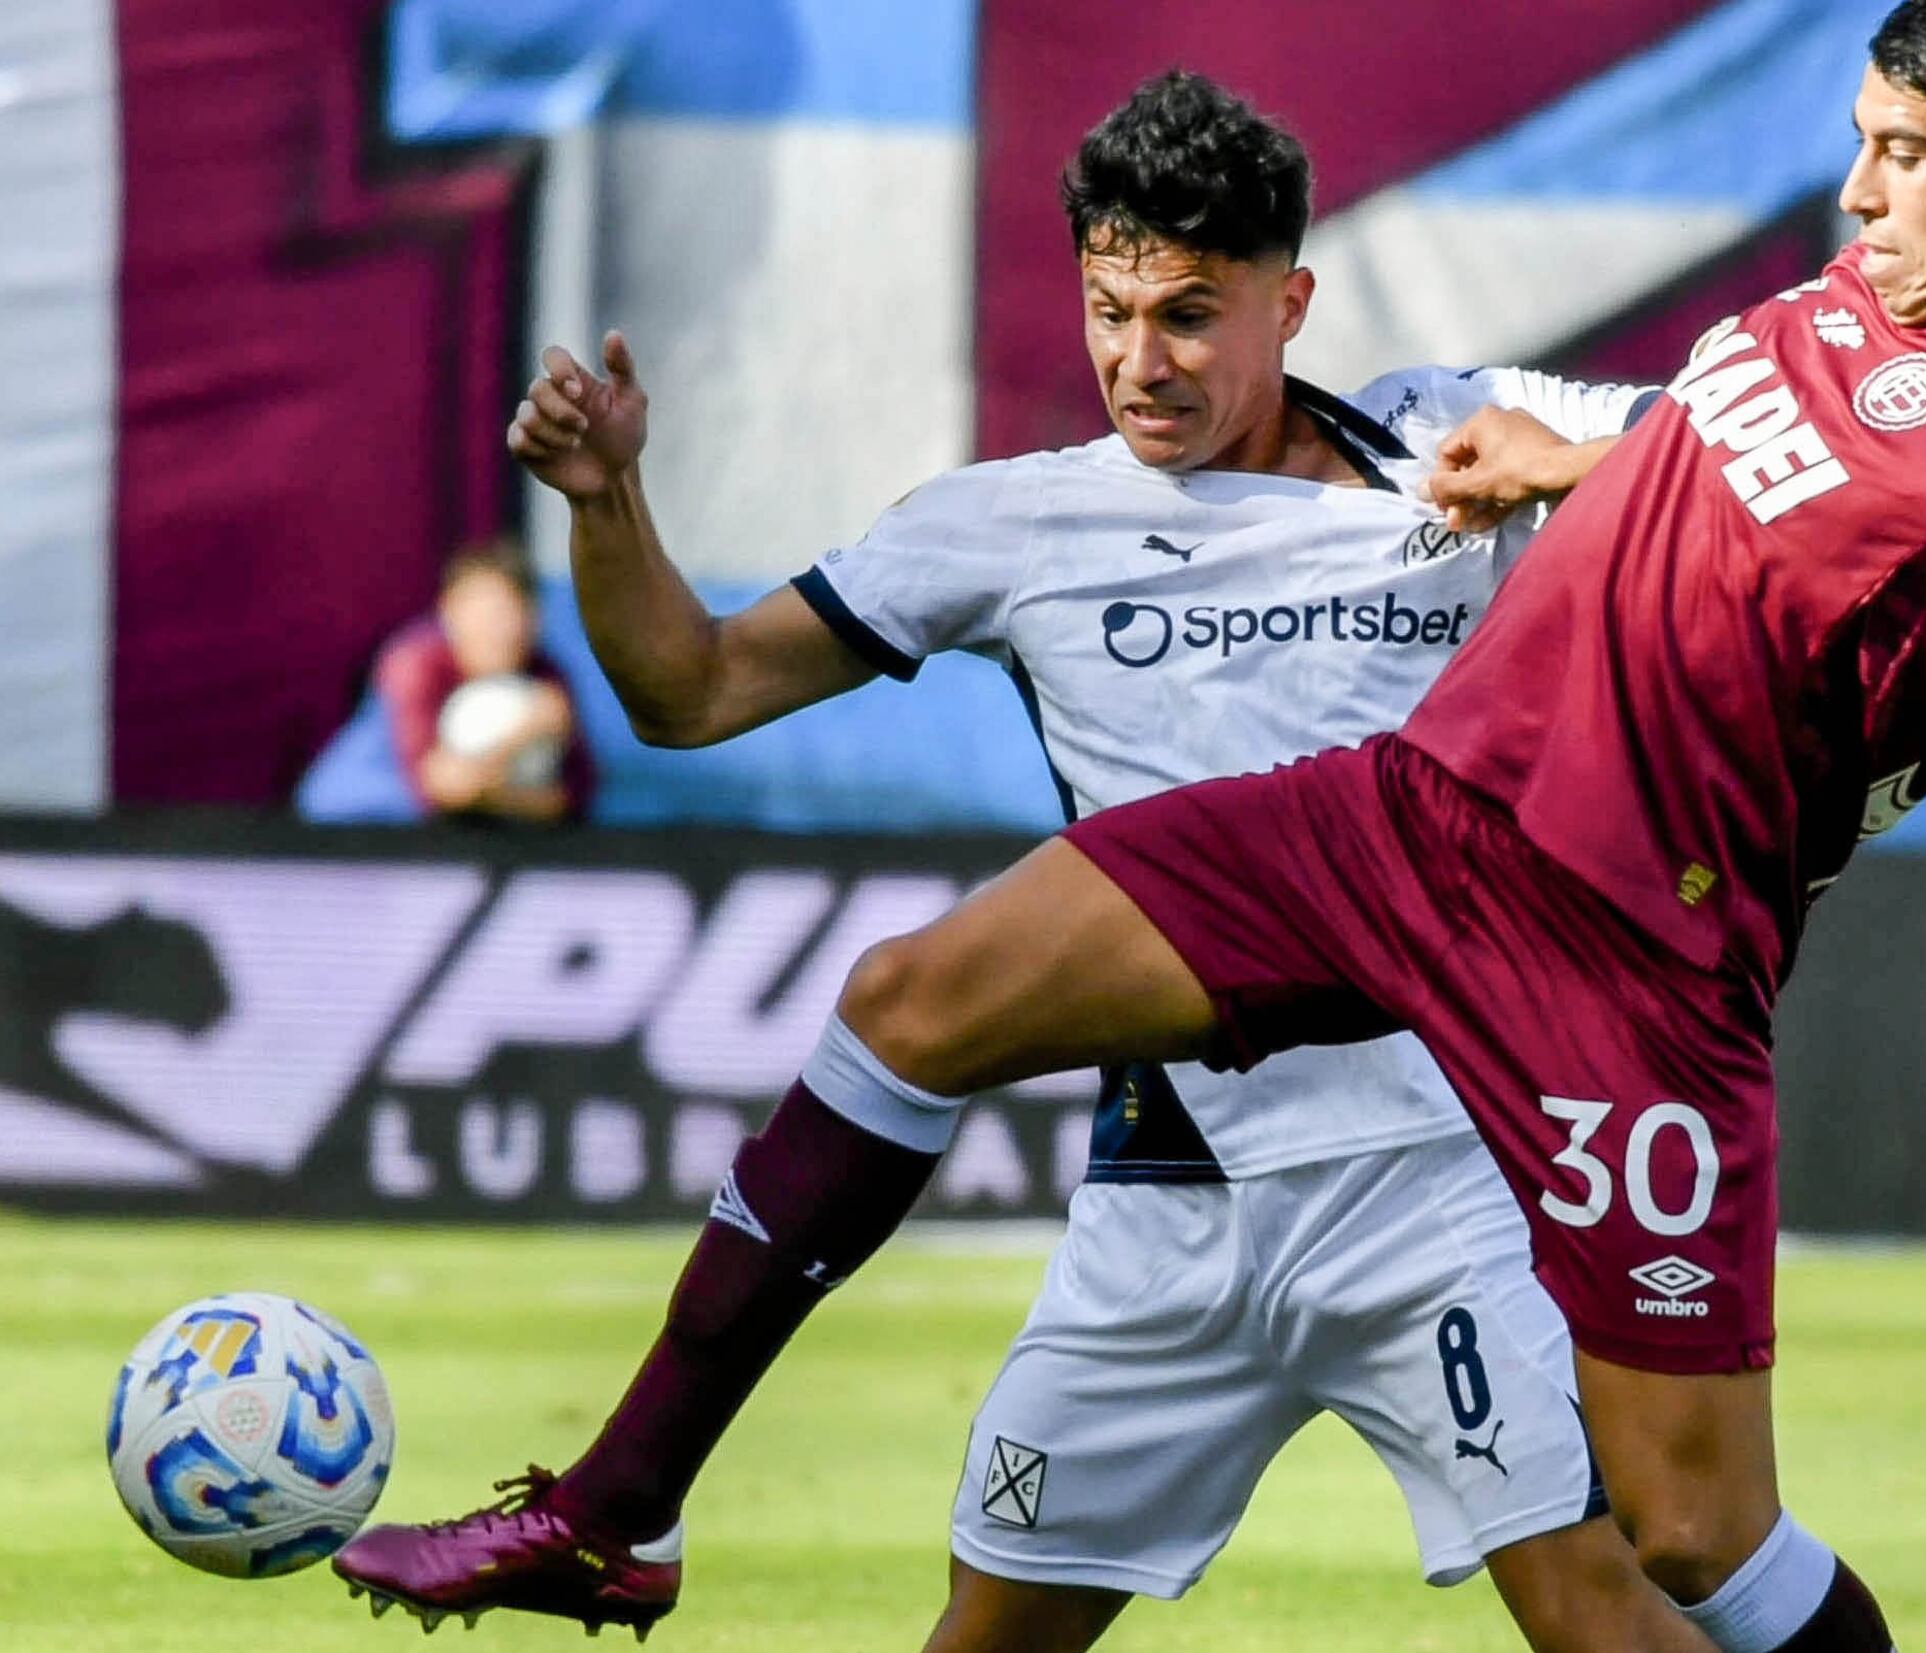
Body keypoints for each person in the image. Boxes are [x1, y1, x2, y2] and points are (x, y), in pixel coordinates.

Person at [345, 3, 1926, 1650]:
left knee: (1692, 1536)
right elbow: (1706, 478)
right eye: (1866, 135)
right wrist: (1558, 466)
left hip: (1620, 974)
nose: (1860, 182)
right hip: (1408, 832)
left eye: (1904, 151)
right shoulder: (1835, 303)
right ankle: (612, 1510)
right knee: (913, 992)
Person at [337, 74, 1719, 1653]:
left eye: (1194, 313)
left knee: (1602, 1616)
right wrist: (606, 506)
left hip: (1441, 1168)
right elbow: (693, 687)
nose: (1143, 360)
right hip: (1166, 1208)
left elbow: (1745, 471)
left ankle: (620, 1501)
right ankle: (623, 1512)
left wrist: (1563, 465)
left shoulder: (1441, 434)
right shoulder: (1012, 525)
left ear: (1294, 300)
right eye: (1110, 308)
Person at [371, 540, 590, 823]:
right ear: (449, 612)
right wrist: (525, 732)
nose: (502, 630)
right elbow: (447, 789)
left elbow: (571, 798)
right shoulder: (414, 666)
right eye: (487, 614)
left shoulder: (546, 672)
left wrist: (491, 795)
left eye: (512, 612)